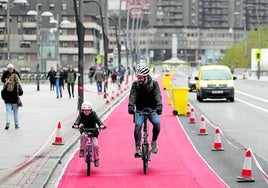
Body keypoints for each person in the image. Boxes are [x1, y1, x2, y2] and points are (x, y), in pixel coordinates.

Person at [128, 65, 163, 158]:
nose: (139, 79)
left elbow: (157, 96)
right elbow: (133, 96)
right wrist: (131, 106)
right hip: (140, 109)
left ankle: (154, 142)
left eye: (140, 77)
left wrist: (159, 106)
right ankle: (138, 148)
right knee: (138, 126)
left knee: (157, 123)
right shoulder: (135, 85)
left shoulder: (154, 84)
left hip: (152, 109)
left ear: (146, 77)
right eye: (138, 77)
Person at [72, 101, 106, 167]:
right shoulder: (81, 114)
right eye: (84, 110)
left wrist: (101, 125)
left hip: (93, 131)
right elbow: (78, 120)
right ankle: (82, 149)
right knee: (83, 136)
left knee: (95, 145)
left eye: (88, 110)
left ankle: (96, 159)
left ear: (91, 110)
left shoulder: (93, 114)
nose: (86, 112)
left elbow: (98, 120)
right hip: (84, 130)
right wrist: (76, 124)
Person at [1, 63, 23, 129]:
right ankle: (16, 124)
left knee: (8, 111)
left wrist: (4, 98)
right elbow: (21, 92)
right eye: (9, 69)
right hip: (15, 99)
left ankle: (8, 123)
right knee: (15, 112)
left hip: (8, 99)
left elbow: (2, 92)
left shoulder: (6, 85)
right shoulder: (17, 82)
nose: (10, 70)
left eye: (10, 69)